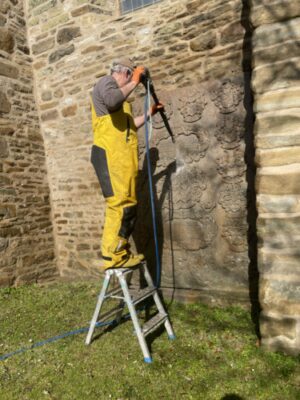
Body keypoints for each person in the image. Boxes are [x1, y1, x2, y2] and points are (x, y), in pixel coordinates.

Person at [91, 58, 163, 270]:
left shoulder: (121, 104)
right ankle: (111, 256)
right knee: (119, 205)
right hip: (109, 156)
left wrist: (150, 114)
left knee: (128, 205)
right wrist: (137, 81)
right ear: (125, 73)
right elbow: (113, 101)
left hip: (122, 160)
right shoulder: (106, 83)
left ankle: (120, 252)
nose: (132, 80)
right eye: (131, 75)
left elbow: (130, 124)